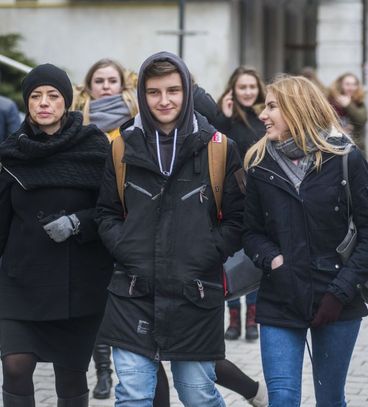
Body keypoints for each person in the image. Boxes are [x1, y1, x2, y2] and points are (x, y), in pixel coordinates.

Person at [95, 51, 244, 406]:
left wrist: (206, 252)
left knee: (197, 395)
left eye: (173, 91)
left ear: (187, 92)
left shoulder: (220, 148)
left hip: (196, 293)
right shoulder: (120, 147)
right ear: (142, 95)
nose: (164, 100)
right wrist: (126, 248)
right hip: (132, 292)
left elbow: (238, 218)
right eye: (154, 92)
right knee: (133, 395)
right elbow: (105, 212)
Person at [243, 75, 368, 406]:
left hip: (336, 299)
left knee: (330, 399)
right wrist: (274, 261)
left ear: (297, 109)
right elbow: (250, 232)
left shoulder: (346, 159)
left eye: (271, 107)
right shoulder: (259, 164)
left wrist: (339, 293)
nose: (263, 115)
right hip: (279, 297)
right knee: (282, 399)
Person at [0, 63, 112, 407]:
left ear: (66, 101)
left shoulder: (94, 147)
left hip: (77, 284)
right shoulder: (12, 153)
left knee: (70, 374)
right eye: (35, 96)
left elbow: (112, 210)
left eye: (52, 95)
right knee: (15, 365)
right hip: (21, 282)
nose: (44, 103)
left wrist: (79, 223)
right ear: (27, 103)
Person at [71, 57, 139, 401]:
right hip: (89, 219)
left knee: (122, 301)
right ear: (89, 86)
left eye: (112, 80)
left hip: (128, 221)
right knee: (97, 299)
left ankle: (130, 368)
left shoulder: (136, 121)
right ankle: (103, 372)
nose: (106, 86)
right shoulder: (77, 123)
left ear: (122, 85)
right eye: (99, 81)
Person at [217, 66, 266, 341]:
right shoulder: (224, 117)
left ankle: (252, 318)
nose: (247, 92)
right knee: (231, 256)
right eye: (242, 87)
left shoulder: (265, 115)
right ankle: (233, 317)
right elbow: (218, 148)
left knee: (254, 255)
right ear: (233, 90)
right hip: (230, 197)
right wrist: (224, 118)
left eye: (251, 87)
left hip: (258, 196)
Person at [328, 72, 368, 152]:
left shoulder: (359, 101)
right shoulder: (331, 101)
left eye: (354, 84)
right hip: (335, 147)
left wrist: (349, 105)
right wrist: (339, 129)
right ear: (340, 85)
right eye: (347, 84)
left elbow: (362, 119)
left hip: (356, 146)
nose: (351, 87)